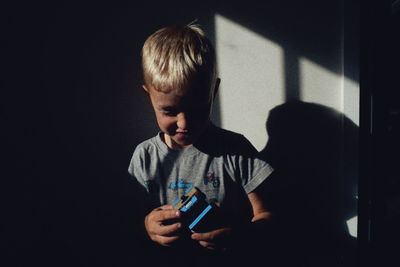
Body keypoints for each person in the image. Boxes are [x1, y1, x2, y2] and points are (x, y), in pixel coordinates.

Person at [128, 23, 274, 265]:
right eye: (170, 111)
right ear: (148, 96)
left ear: (213, 91)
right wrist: (147, 225)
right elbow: (128, 220)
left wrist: (241, 235)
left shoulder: (236, 151)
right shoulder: (145, 156)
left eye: (197, 109)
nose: (184, 122)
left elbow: (268, 215)